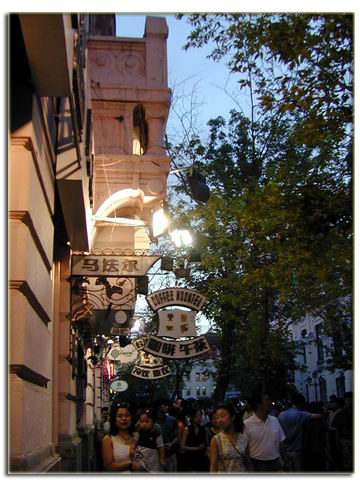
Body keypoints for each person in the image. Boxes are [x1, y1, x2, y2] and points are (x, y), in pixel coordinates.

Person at [278, 393, 322, 472]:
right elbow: (318, 416)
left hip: (284, 449)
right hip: (297, 449)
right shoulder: (301, 414)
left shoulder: (281, 415)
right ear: (302, 403)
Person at [244, 393, 286, 472]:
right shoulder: (247, 424)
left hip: (276, 463)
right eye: (267, 400)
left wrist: (285, 460)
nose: (270, 402)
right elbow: (245, 448)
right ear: (258, 404)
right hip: (257, 465)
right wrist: (250, 466)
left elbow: (281, 442)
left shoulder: (275, 420)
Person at [209, 403, 252, 473]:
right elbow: (213, 466)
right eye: (217, 417)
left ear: (232, 417)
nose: (219, 420)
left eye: (222, 416)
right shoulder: (216, 440)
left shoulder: (243, 438)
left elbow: (249, 462)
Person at [102, 403, 143, 472]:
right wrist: (129, 464)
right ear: (114, 419)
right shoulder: (108, 439)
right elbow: (108, 466)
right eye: (119, 416)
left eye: (127, 415)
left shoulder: (138, 436)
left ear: (131, 418)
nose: (124, 419)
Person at [130, 408, 166, 472]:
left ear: (153, 422)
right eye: (142, 422)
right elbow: (135, 442)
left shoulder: (156, 434)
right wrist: (132, 449)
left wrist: (162, 458)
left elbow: (161, 448)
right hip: (141, 454)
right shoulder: (139, 432)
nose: (144, 424)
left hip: (152, 456)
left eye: (147, 422)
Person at [180, 407, 209, 472]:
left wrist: (206, 449)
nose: (199, 418)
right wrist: (197, 448)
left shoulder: (204, 429)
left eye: (200, 416)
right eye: (196, 416)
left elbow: (207, 445)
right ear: (191, 417)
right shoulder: (187, 429)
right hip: (190, 458)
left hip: (201, 459)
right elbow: (182, 447)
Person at [302, 402, 328, 472]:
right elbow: (325, 437)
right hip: (320, 449)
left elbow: (306, 436)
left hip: (309, 450)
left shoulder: (306, 421)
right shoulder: (322, 421)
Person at [155, 398, 179, 472]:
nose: (167, 407)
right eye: (164, 405)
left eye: (167, 405)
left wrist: (171, 444)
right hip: (156, 456)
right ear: (159, 406)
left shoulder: (172, 420)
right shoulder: (152, 421)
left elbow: (177, 437)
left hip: (170, 454)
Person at [332, 392, 353, 472]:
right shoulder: (340, 414)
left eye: (351, 400)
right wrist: (338, 444)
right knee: (347, 461)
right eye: (348, 400)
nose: (350, 402)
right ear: (345, 401)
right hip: (345, 439)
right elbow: (336, 430)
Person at [94, 407, 110, 471]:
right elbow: (99, 434)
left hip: (103, 442)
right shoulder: (99, 420)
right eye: (104, 414)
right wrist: (103, 444)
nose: (105, 415)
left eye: (106, 414)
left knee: (103, 458)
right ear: (101, 413)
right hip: (99, 443)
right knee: (99, 459)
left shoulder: (105, 421)